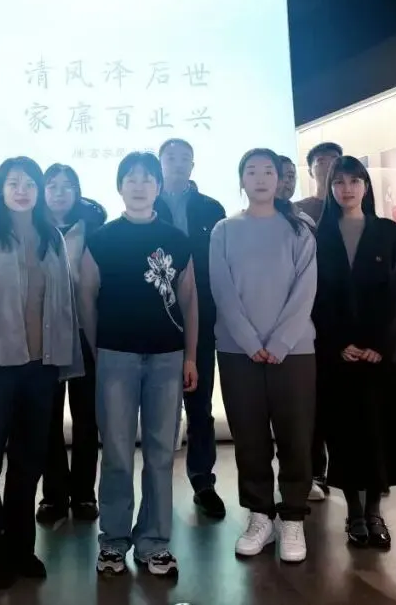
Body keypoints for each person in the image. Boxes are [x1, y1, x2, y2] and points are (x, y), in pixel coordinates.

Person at [0, 156, 83, 590]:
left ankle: (19, 547)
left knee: (29, 463)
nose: (23, 190)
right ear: (1, 189)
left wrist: (64, 360)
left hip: (40, 368)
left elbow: (64, 303)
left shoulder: (51, 236)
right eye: (14, 183)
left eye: (30, 183)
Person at [81, 151, 199, 578]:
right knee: (115, 452)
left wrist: (190, 355)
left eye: (147, 178)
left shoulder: (176, 239)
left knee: (161, 454)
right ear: (119, 186)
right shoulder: (102, 239)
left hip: (167, 358)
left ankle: (154, 542)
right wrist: (100, 350)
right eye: (130, 178)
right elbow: (86, 298)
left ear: (157, 187)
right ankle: (113, 541)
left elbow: (189, 300)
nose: (138, 185)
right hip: (116, 356)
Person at [210, 149, 317, 563]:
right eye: (251, 171)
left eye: (267, 171)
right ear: (241, 180)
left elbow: (306, 289)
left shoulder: (299, 229)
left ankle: (293, 516)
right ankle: (260, 515)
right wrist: (249, 340)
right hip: (238, 352)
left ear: (280, 179)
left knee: (295, 435)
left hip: (294, 351)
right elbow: (222, 289)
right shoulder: (223, 230)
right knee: (249, 437)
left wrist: (280, 342)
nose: (259, 178)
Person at [313, 156, 396, 548]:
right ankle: (353, 513)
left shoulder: (387, 231)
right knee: (344, 434)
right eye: (339, 182)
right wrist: (338, 343)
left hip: (381, 353)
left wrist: (380, 346)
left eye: (354, 181)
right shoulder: (319, 235)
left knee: (379, 433)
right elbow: (315, 296)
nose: (347, 189)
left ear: (366, 186)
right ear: (330, 188)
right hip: (337, 353)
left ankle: (374, 511)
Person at [154, 138, 226, 518]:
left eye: (185, 158)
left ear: (193, 165)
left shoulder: (212, 208)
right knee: (159, 407)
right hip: (156, 318)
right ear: (160, 163)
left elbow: (223, 263)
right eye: (171, 157)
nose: (178, 163)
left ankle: (203, 481)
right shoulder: (147, 204)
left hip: (205, 316)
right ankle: (157, 485)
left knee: (199, 405)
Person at [37, 164, 107, 525]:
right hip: (44, 334)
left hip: (84, 332)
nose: (60, 192)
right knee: (47, 418)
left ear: (77, 192)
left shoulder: (94, 229)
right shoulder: (32, 228)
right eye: (52, 186)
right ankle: (53, 495)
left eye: (67, 186)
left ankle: (83, 493)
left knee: (86, 418)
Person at [294, 140, 343, 499]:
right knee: (310, 398)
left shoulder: (352, 205)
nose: (327, 166)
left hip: (346, 316)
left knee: (347, 397)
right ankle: (315, 471)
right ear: (310, 169)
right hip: (308, 315)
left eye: (334, 160)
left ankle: (354, 470)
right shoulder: (299, 211)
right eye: (320, 161)